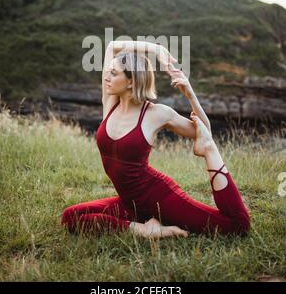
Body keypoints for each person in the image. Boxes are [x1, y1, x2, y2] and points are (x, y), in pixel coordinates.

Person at [61, 41, 251, 239]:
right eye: (108, 72)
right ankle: (143, 229)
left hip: (159, 198)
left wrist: (190, 95)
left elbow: (204, 133)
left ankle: (150, 224)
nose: (106, 77)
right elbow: (112, 46)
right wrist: (156, 49)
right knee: (70, 217)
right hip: (129, 202)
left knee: (237, 226)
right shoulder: (110, 103)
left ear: (131, 81)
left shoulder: (156, 113)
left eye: (113, 73)